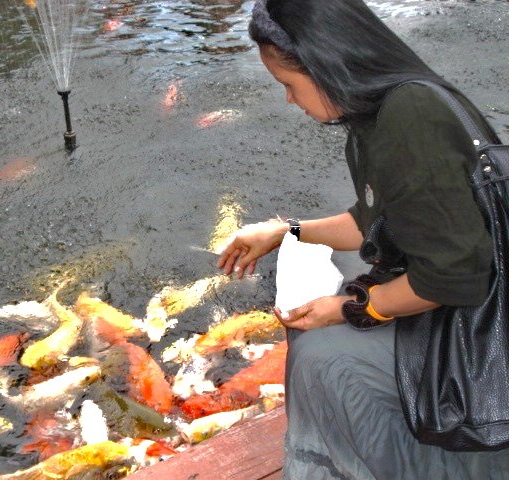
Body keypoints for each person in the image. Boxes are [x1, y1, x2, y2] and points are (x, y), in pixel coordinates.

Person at [216, 0, 508, 478]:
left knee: (320, 355)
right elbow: (373, 221)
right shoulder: (389, 105)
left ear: (327, 64)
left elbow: (454, 278)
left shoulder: (409, 119)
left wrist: (355, 307)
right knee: (327, 315)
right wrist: (286, 231)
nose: (289, 100)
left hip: (479, 332)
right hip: (466, 292)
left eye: (289, 85)